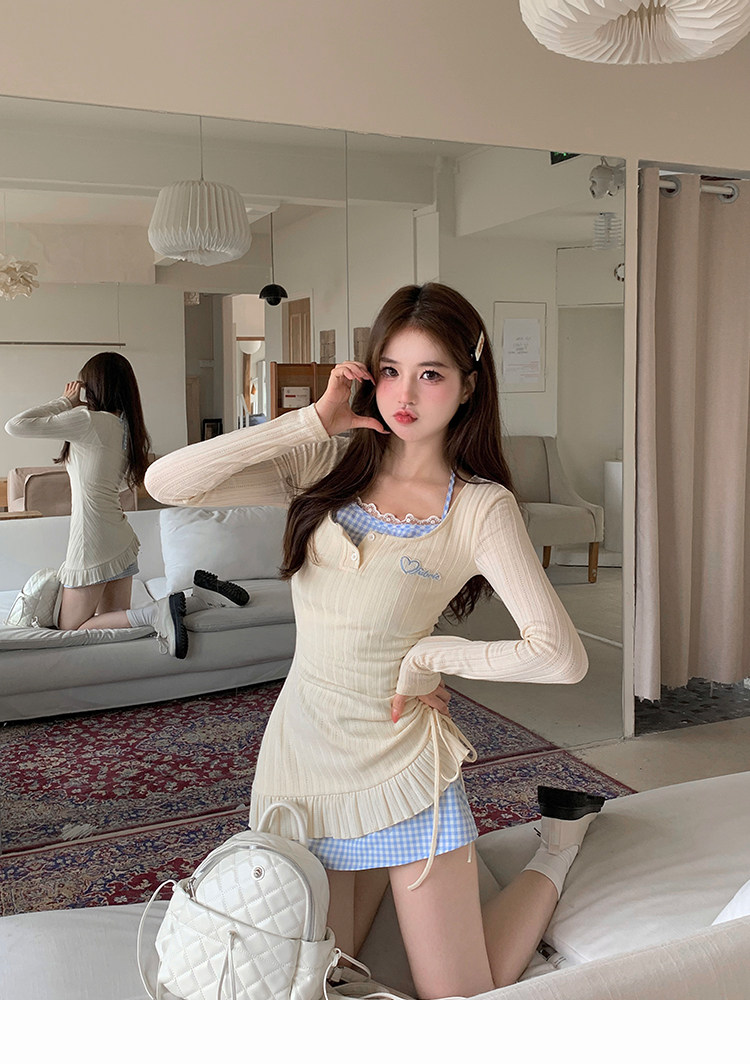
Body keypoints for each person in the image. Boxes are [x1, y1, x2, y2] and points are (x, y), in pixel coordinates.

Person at [145, 283, 604, 998]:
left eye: (431, 373)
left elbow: (560, 655)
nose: (405, 395)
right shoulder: (327, 464)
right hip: (301, 758)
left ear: (469, 386)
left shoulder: (479, 508)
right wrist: (313, 421)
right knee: (314, 982)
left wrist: (428, 658)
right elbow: (166, 482)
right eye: (390, 370)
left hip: (400, 763)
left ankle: (558, 846)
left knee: (455, 999)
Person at [4, 351, 247, 656]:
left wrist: (65, 401)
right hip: (119, 540)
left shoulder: (89, 421)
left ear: (94, 386)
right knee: (116, 624)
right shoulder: (125, 429)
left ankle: (157, 612)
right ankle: (197, 599)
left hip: (92, 540)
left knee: (70, 627)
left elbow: (16, 425)